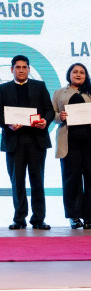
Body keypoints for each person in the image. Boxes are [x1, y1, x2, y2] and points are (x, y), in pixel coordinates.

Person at [0, 55, 54, 230]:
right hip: (14, 140)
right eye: (18, 67)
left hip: (36, 140)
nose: (21, 70)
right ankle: (19, 219)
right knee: (17, 182)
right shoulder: (3, 88)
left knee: (38, 181)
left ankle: (38, 219)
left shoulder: (40, 86)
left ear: (29, 69)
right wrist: (8, 124)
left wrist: (45, 120)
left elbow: (49, 110)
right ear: (12, 69)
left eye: (24, 67)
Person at [52, 63, 91, 229]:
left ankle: (89, 217)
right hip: (69, 141)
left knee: (90, 179)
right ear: (69, 74)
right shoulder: (59, 93)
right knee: (71, 180)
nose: (78, 74)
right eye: (75, 71)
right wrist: (59, 116)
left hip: (89, 142)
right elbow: (51, 114)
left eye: (82, 72)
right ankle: (74, 216)